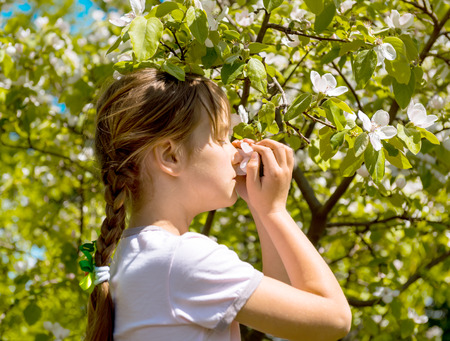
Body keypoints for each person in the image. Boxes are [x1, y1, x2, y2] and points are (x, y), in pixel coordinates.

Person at [85, 68, 352, 341]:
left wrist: (261, 209)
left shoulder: (133, 256)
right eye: (222, 137)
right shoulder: (183, 259)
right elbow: (335, 319)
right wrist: (275, 211)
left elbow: (288, 310)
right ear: (170, 156)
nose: (236, 149)